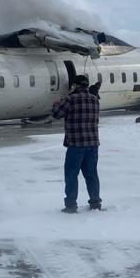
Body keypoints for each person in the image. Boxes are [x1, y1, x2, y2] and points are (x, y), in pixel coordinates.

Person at [51, 74, 102, 213]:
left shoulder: (70, 99)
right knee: (91, 174)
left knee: (71, 175)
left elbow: (56, 114)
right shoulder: (95, 100)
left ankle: (71, 205)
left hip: (76, 145)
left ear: (75, 86)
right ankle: (95, 202)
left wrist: (56, 103)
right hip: (92, 144)